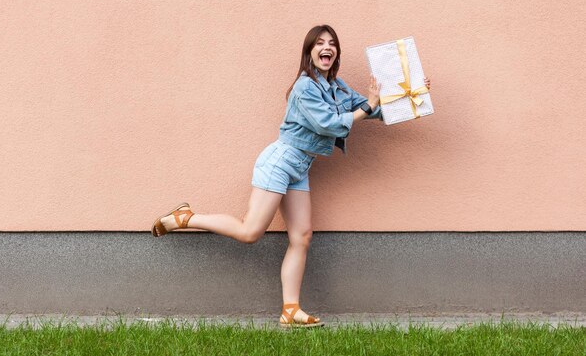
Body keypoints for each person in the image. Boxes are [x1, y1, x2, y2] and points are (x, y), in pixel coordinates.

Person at [151, 24, 431, 328]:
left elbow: (369, 109)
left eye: (332, 43)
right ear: (309, 52)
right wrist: (369, 105)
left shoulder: (336, 86)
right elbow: (330, 124)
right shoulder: (304, 87)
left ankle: (290, 310)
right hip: (280, 162)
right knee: (250, 232)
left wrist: (412, 94)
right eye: (320, 43)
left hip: (300, 167)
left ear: (336, 53)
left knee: (302, 236)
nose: (327, 47)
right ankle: (186, 217)